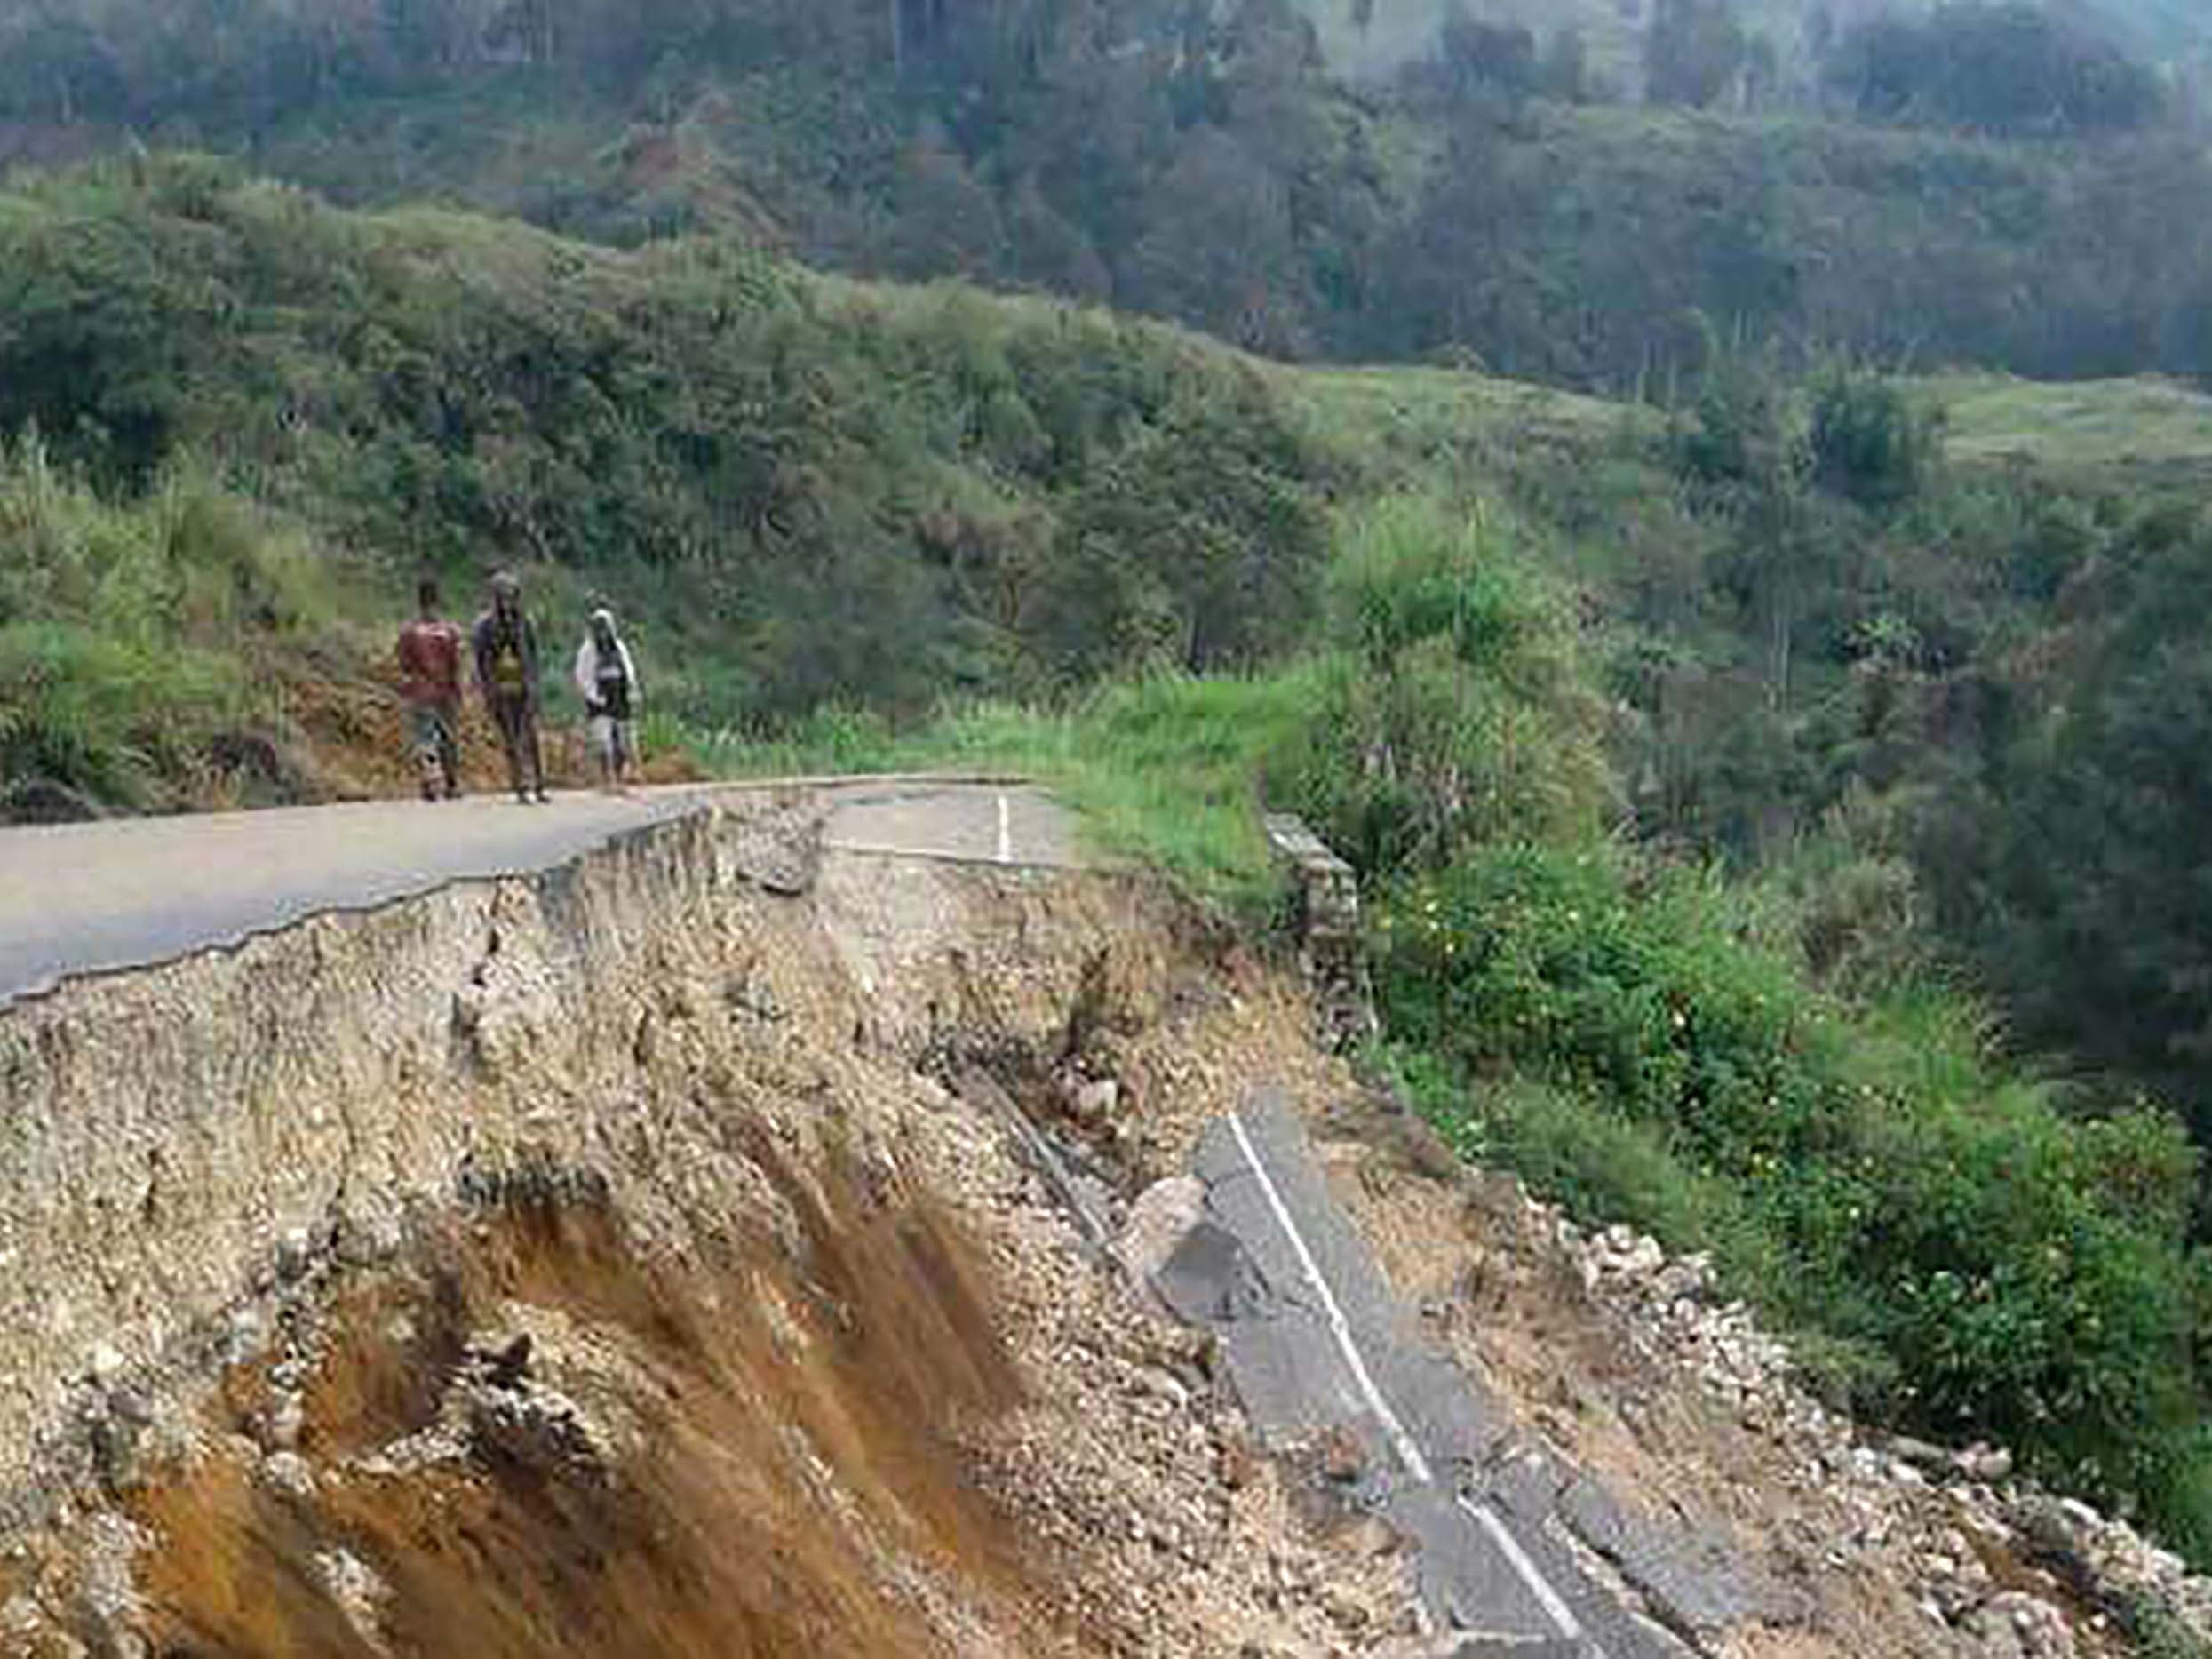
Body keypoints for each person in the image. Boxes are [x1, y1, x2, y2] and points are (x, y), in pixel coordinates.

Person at [473, 570, 549, 804]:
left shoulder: (526, 623)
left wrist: (534, 686)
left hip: (524, 687)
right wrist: (487, 689)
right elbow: (482, 660)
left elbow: (533, 657)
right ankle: (520, 786)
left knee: (531, 737)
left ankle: (539, 784)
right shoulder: (485, 626)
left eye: (510, 595)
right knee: (511, 739)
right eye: (502, 596)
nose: (506, 601)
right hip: (501, 688)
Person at [395, 577, 465, 801]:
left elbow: (404, 664)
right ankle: (451, 783)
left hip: (421, 691)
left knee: (425, 738)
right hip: (446, 691)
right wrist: (458, 690)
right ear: (438, 600)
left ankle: (430, 782)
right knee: (449, 738)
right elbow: (456, 663)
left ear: (419, 601)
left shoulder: (409, 631)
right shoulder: (450, 630)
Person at [574, 607, 641, 793]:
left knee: (623, 743)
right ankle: (607, 779)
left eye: (606, 628)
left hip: (620, 699)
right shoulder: (587, 650)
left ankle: (619, 779)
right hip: (600, 703)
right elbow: (582, 676)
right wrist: (594, 696)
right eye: (599, 628)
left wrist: (631, 691)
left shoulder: (619, 647)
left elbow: (629, 670)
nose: (603, 632)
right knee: (603, 742)